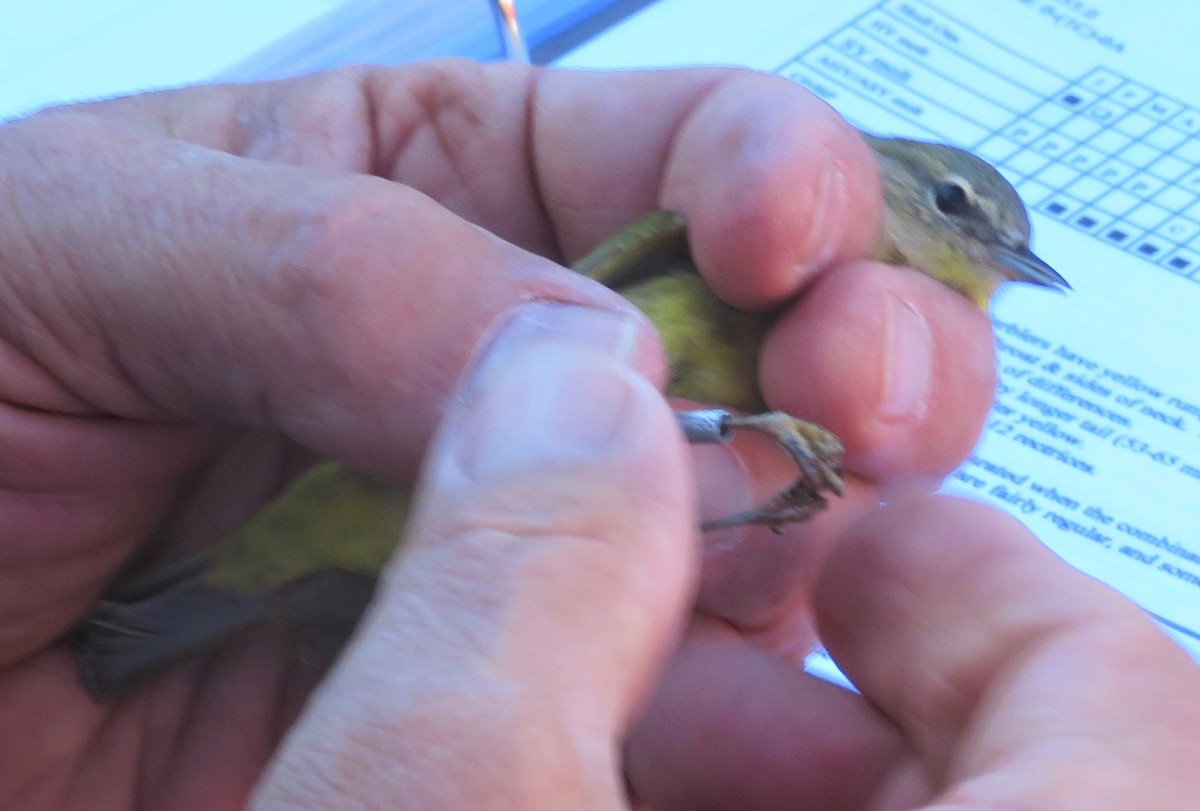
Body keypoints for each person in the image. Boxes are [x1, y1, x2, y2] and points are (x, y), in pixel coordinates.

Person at [0, 60, 1195, 810]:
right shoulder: (750, 241)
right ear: (899, 184)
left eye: (997, 245)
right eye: (959, 213)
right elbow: (578, 338)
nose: (986, 255)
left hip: (360, 575)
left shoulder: (843, 310)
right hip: (368, 479)